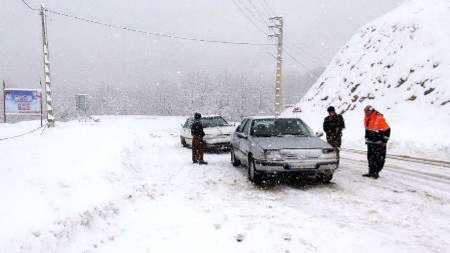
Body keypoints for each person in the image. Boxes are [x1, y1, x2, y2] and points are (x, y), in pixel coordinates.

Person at [363, 105, 391, 179]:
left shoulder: (378, 118)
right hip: (370, 142)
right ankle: (371, 172)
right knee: (370, 158)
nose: (365, 113)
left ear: (370, 111)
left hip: (379, 143)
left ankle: (376, 173)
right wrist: (366, 138)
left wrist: (385, 141)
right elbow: (367, 129)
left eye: (366, 112)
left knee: (378, 158)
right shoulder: (367, 118)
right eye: (365, 112)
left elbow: (387, 130)